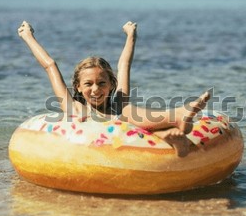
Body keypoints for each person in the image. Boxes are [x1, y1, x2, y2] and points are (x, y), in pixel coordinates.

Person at [17, 21, 209, 157]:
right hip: (97, 148)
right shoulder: (73, 107)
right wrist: (28, 36)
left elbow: (124, 64)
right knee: (127, 114)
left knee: (127, 112)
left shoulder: (118, 102)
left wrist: (131, 35)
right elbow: (50, 65)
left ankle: (171, 135)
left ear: (110, 84)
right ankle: (174, 119)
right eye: (88, 84)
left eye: (102, 83)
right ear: (77, 86)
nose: (95, 89)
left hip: (133, 132)